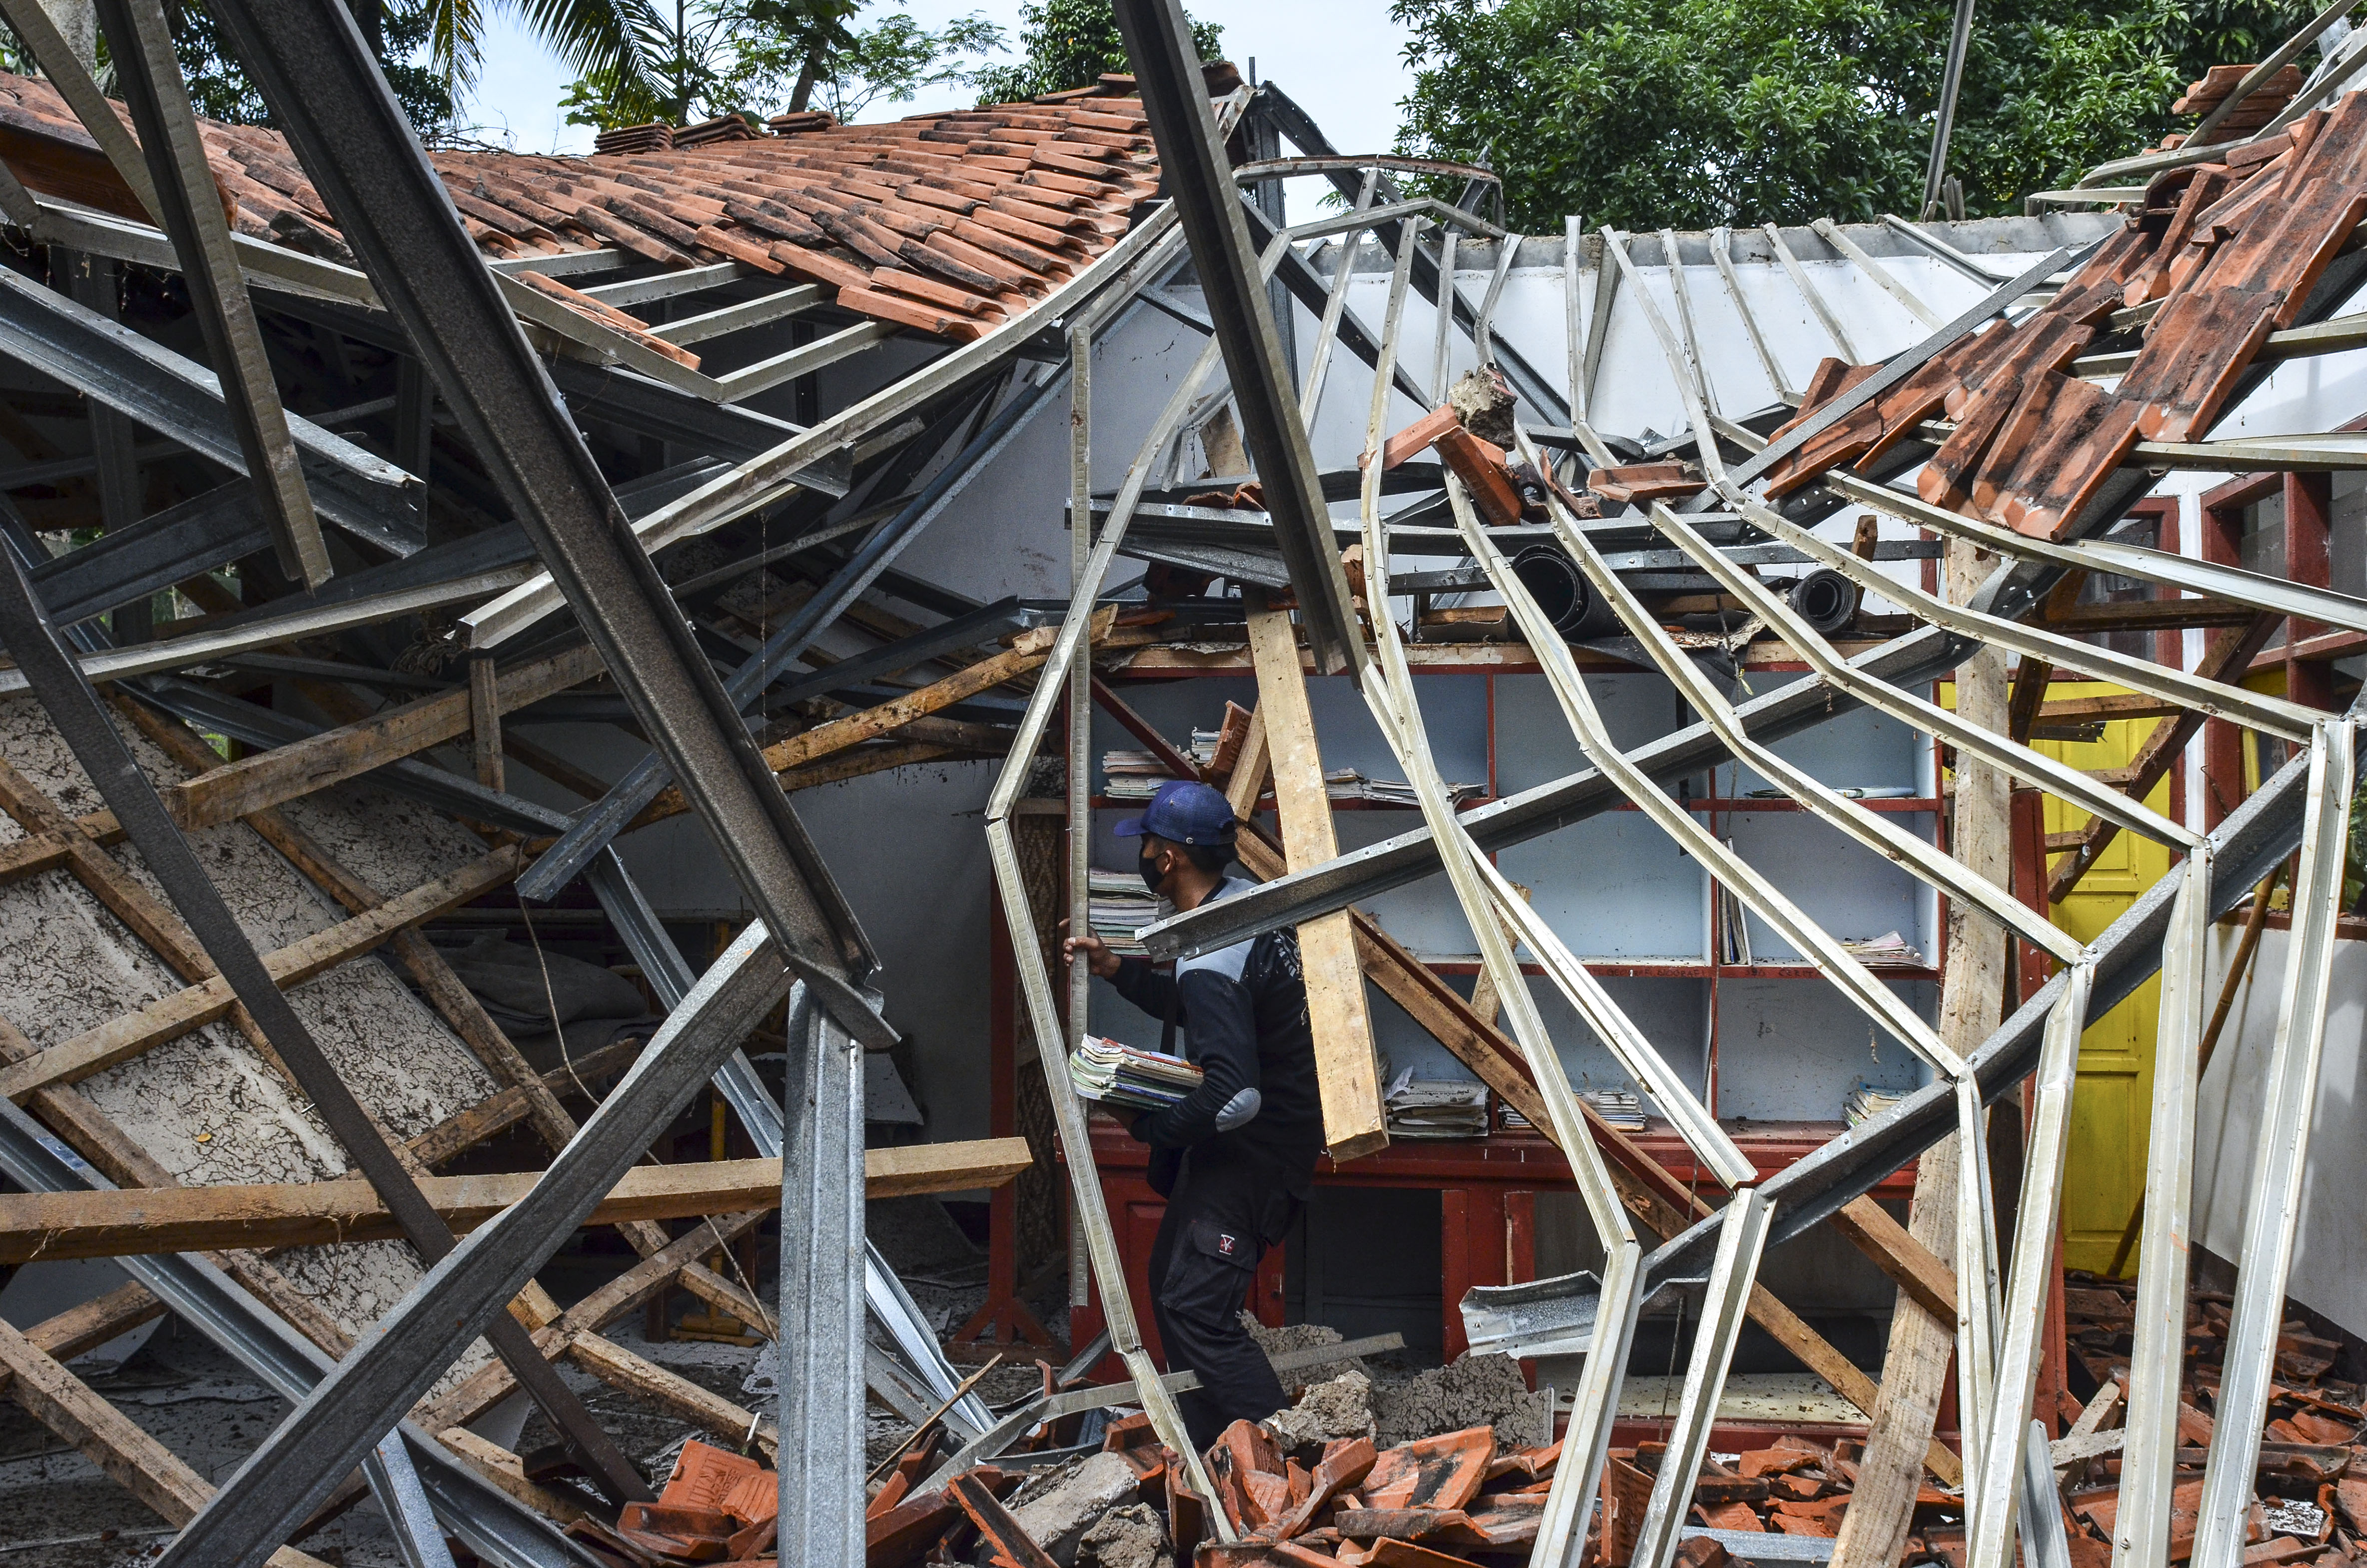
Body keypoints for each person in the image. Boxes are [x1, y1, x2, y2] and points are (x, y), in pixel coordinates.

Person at [1062, 778, 1321, 1448]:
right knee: (1171, 1287)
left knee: (1196, 1308)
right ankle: (1219, 1454)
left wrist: (1152, 1125)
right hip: (1262, 1147)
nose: (1141, 854)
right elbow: (1206, 1003)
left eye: (1146, 842)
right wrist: (1117, 968)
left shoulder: (1212, 953)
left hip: (1251, 1155)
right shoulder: (1236, 910)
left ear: (1169, 857)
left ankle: (1284, 1463)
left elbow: (1234, 1095)